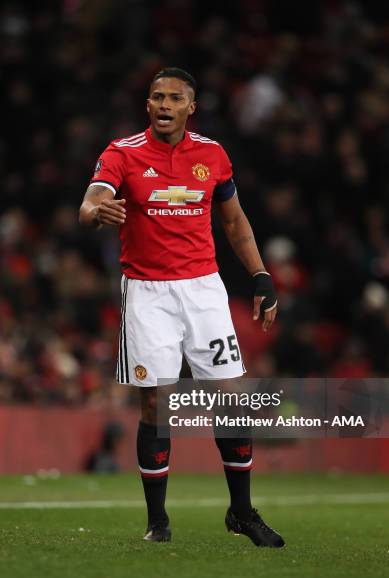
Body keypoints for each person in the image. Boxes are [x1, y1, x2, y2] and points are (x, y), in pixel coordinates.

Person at [79, 67, 284, 548]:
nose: (164, 104)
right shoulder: (122, 153)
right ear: (147, 105)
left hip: (203, 290)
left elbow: (234, 222)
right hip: (148, 292)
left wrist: (260, 275)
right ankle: (158, 521)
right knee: (156, 401)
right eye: (156, 97)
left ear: (192, 107)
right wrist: (93, 212)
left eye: (174, 98)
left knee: (231, 395)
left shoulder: (212, 154)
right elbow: (91, 202)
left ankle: (241, 511)